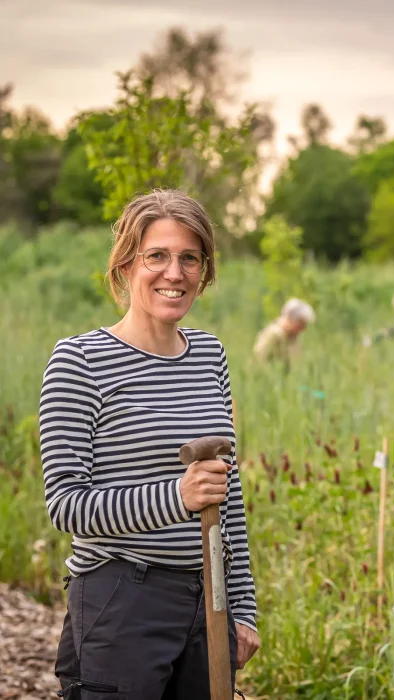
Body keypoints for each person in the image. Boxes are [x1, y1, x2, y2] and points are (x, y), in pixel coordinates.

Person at [40, 190, 260, 698]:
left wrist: (241, 606)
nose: (174, 273)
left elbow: (227, 493)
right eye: (156, 256)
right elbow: (67, 506)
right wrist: (176, 497)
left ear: (204, 270)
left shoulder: (209, 355)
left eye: (189, 258)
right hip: (120, 596)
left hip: (208, 597)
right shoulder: (80, 362)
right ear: (125, 265)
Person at [253, 297, 315, 369]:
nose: (303, 329)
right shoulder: (273, 334)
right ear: (292, 320)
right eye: (301, 324)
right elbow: (261, 359)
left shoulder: (291, 337)